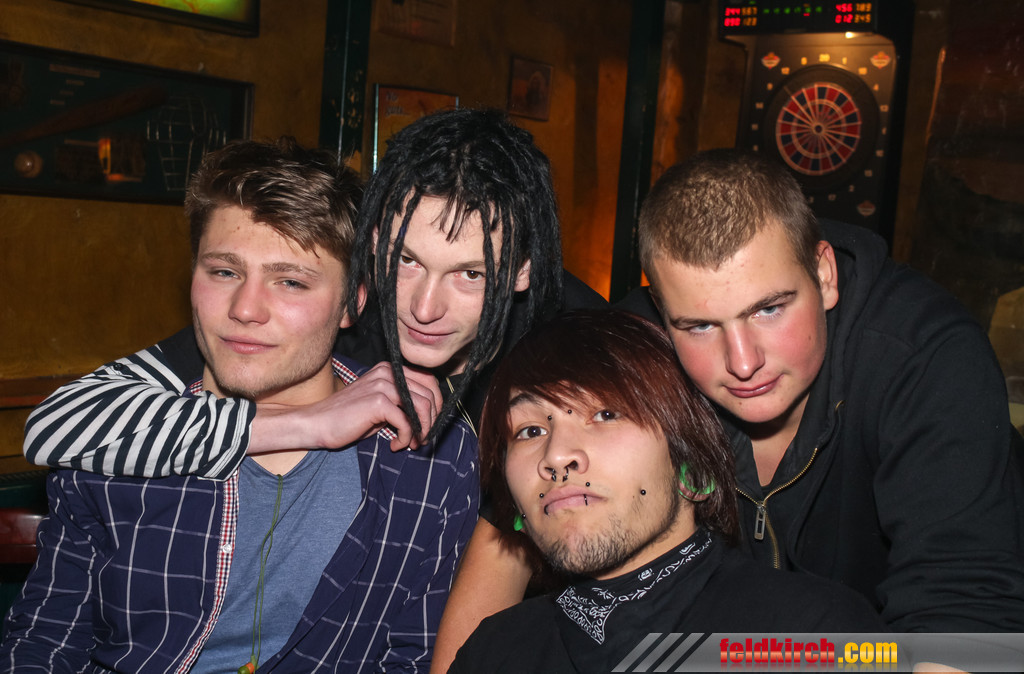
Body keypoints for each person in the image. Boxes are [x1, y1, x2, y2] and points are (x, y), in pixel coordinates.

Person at [21, 109, 606, 670]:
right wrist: (313, 422)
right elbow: (57, 426)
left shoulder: (573, 354)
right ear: (375, 249)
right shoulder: (301, 316)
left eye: (471, 273)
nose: (425, 308)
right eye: (406, 260)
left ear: (522, 270)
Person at [628, 148, 1024, 631]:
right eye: (700, 326)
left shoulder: (924, 353)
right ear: (662, 312)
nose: (743, 363)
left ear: (824, 275)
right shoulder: (630, 363)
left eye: (768, 309)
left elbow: (966, 608)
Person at [449, 310, 885, 673]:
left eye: (605, 414)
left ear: (692, 469)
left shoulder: (815, 639)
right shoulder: (491, 654)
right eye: (529, 430)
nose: (557, 455)